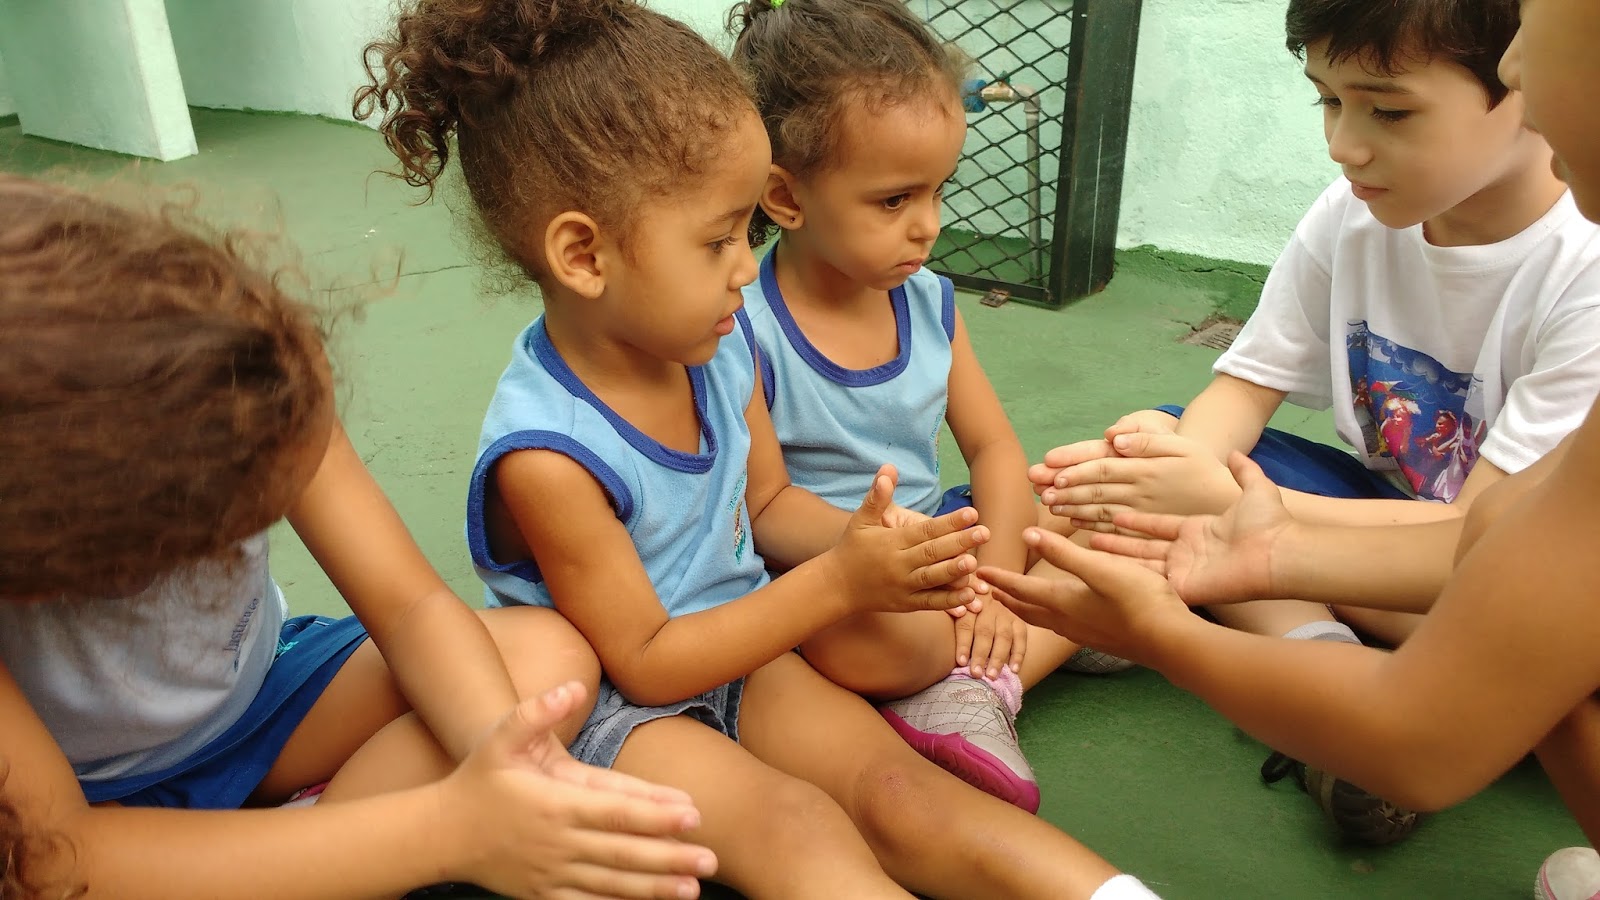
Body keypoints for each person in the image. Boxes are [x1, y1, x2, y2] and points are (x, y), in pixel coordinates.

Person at [358, 1, 1162, 897]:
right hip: (619, 705)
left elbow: (766, 517)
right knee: (796, 824)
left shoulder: (715, 345)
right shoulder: (549, 455)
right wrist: (840, 584)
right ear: (584, 255)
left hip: (745, 646)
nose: (748, 265)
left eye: (746, 232)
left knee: (903, 793)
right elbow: (647, 660)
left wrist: (879, 557)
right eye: (718, 241)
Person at [981, 4, 1600, 894]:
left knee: (1197, 498)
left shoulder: (1580, 266)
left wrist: (1203, 545)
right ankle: (1005, 679)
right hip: (1438, 541)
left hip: (1487, 574)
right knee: (1158, 440)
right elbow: (1245, 391)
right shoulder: (1354, 212)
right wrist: (1180, 483)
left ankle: (1303, 672)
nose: (1344, 145)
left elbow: (1487, 567)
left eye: (1390, 110)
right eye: (1327, 101)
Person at [0, 174, 716, 900]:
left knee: (546, 661)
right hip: (78, 793)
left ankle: (302, 848)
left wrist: (508, 763)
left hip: (265, 700)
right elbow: (58, 858)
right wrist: (451, 830)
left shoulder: (239, 370)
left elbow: (408, 605)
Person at [727, 0, 1098, 814]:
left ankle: (979, 677)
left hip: (945, 549)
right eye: (894, 201)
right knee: (870, 644)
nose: (928, 227)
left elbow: (994, 451)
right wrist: (899, 560)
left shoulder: (927, 300)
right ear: (785, 197)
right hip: (842, 573)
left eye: (938, 191)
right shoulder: (743, 327)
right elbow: (770, 507)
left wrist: (995, 580)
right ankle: (1019, 660)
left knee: (1111, 519)